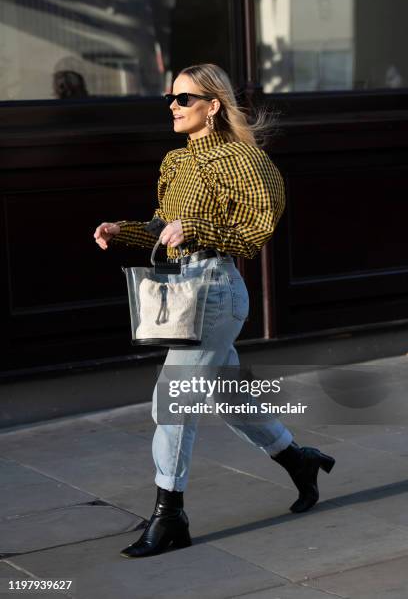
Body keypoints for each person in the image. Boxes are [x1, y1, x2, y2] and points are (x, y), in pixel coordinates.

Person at [93, 63, 335, 558]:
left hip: (215, 288)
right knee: (227, 397)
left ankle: (169, 514)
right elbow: (168, 227)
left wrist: (198, 230)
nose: (173, 107)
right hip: (183, 288)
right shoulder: (177, 162)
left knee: (172, 403)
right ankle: (299, 461)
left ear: (213, 106)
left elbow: (258, 228)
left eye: (184, 99)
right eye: (171, 98)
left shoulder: (241, 158)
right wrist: (127, 230)